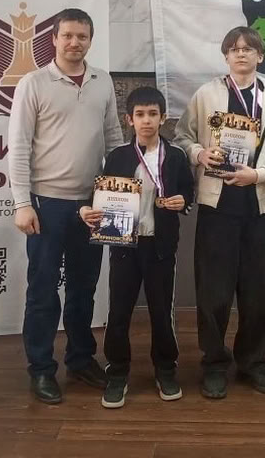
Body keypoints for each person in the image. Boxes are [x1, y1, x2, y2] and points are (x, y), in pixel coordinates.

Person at [175, 25, 265, 399]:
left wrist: (258, 174)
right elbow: (182, 137)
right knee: (213, 291)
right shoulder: (206, 94)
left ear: (260, 56)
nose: (241, 53)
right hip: (217, 206)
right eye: (234, 48)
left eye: (248, 48)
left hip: (256, 205)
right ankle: (214, 363)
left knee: (255, 290)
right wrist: (200, 154)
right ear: (226, 56)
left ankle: (253, 361)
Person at [8, 7, 123, 405]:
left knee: (83, 288)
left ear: (90, 40)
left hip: (94, 203)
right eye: (68, 36)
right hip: (46, 204)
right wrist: (22, 203)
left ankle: (80, 359)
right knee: (43, 290)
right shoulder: (33, 83)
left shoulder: (102, 81)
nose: (75, 43)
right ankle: (41, 369)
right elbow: (18, 146)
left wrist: (120, 192)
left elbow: (113, 138)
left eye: (82, 36)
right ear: (54, 39)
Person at [79, 86, 195, 409]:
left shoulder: (175, 156)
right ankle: (117, 371)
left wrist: (183, 201)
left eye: (153, 114)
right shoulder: (118, 156)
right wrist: (89, 210)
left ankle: (165, 368)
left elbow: (188, 190)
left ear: (163, 118)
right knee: (119, 311)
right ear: (128, 119)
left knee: (162, 310)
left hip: (160, 246)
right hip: (124, 247)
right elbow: (101, 194)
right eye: (140, 115)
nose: (146, 121)